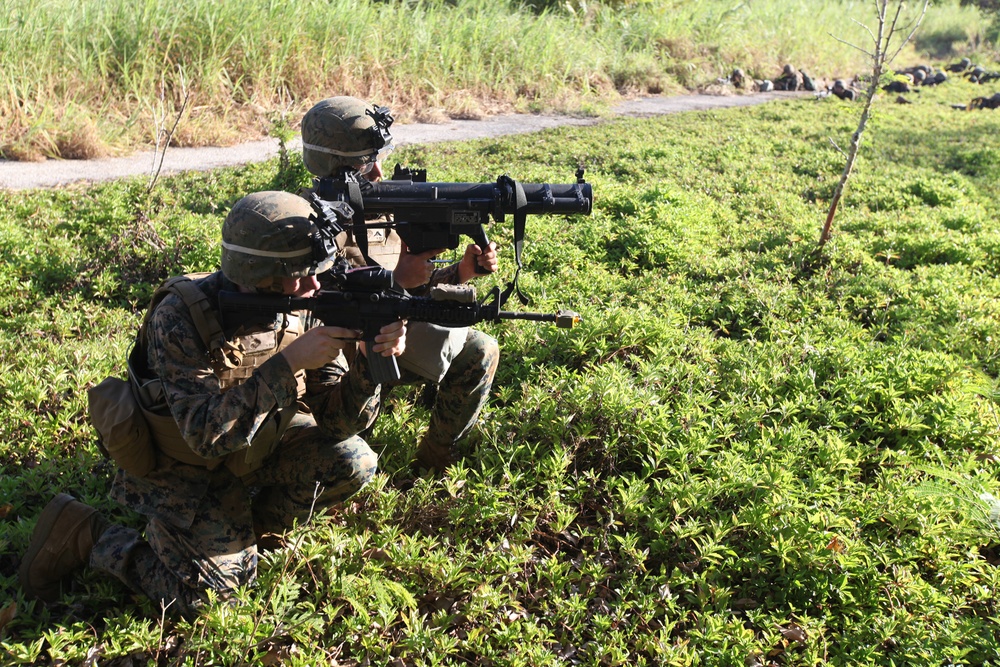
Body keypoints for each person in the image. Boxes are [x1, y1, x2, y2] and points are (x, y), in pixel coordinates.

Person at [19, 190, 406, 616]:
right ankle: (89, 534)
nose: (315, 285)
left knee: (354, 460)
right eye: (302, 273)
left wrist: (372, 362)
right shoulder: (180, 316)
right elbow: (204, 435)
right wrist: (289, 362)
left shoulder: (302, 303)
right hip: (186, 467)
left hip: (256, 446)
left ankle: (245, 534)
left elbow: (337, 425)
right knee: (209, 603)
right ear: (260, 272)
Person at [299, 95, 501, 472]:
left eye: (378, 159)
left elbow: (409, 281)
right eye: (365, 163)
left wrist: (459, 273)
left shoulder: (382, 203)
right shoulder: (307, 220)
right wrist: (397, 283)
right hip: (333, 348)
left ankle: (437, 460)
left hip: (390, 331)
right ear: (334, 165)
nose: (377, 173)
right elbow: (314, 302)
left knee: (479, 349)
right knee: (345, 445)